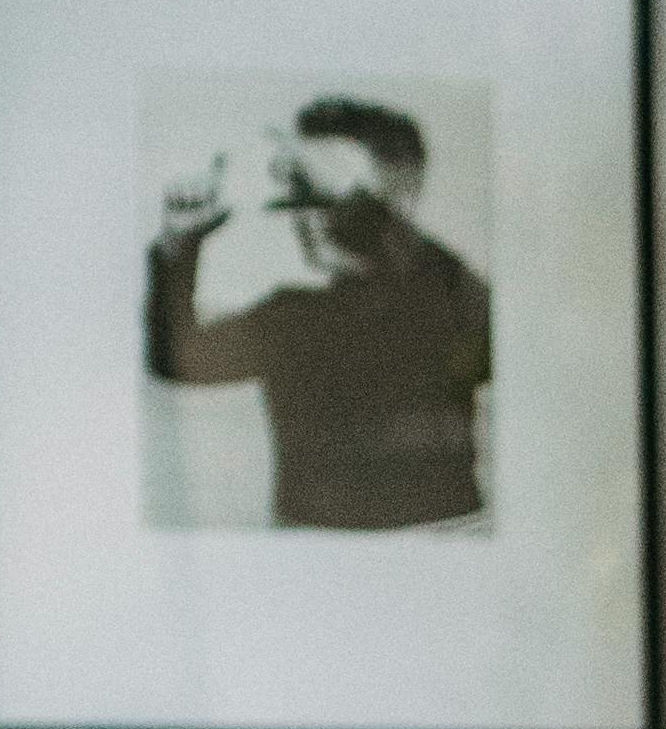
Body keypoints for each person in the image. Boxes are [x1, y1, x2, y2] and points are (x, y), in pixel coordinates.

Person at [144, 97, 492, 530]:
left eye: (329, 196)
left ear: (399, 201)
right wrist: (180, 243)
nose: (309, 219)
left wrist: (360, 206)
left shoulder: (447, 301)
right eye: (302, 197)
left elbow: (475, 327)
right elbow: (176, 358)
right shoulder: (291, 318)